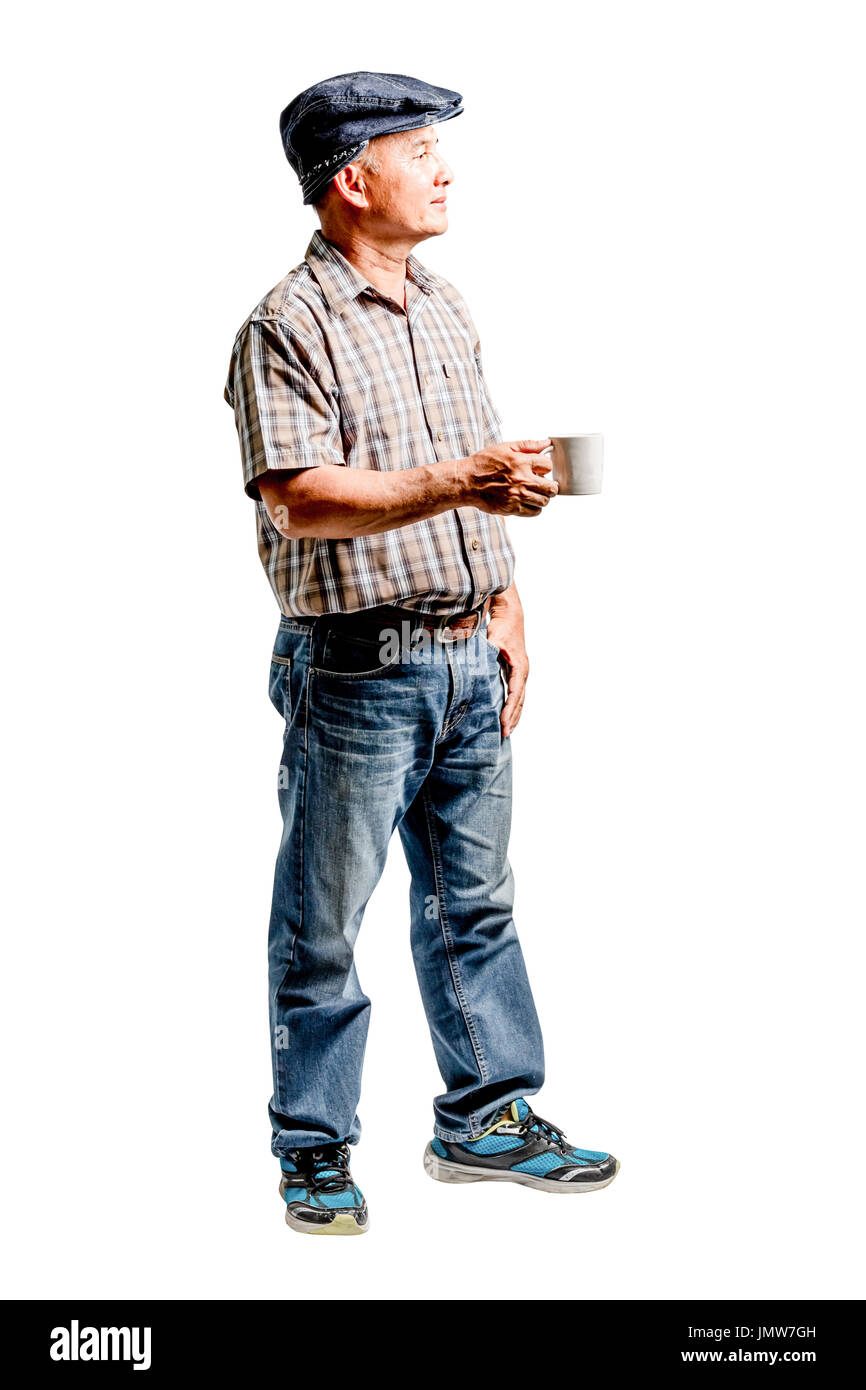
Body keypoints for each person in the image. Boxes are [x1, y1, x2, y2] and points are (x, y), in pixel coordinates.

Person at [224, 70, 620, 1236]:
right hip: (352, 673)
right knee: (323, 922)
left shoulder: (447, 305)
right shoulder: (283, 326)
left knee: (475, 905)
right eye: (419, 151)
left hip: (463, 654)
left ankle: (484, 1118)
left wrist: (505, 594)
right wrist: (466, 480)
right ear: (353, 180)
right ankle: (312, 1148)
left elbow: (474, 469)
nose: (443, 169)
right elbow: (301, 499)